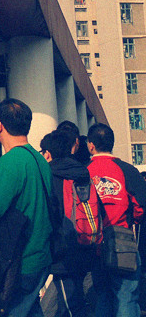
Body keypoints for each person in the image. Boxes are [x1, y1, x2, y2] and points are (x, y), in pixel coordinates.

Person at [0, 98, 53, 317]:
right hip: (41, 255)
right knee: (31, 309)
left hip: (20, 261)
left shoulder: (9, 162)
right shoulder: (40, 160)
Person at [86, 123, 146, 317]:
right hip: (123, 242)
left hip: (94, 243)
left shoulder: (85, 171)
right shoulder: (128, 170)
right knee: (126, 297)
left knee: (102, 296)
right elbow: (140, 207)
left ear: (91, 145)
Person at [40, 128, 96, 317]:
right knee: (75, 300)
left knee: (70, 305)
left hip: (62, 248)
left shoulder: (50, 175)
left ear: (48, 153)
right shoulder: (82, 171)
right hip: (85, 241)